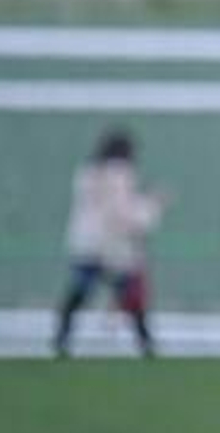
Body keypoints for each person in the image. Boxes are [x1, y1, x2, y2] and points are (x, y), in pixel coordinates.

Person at [53, 128, 165, 358]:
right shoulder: (119, 174)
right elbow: (121, 213)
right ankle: (146, 344)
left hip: (87, 244)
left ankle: (62, 337)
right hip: (112, 248)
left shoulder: (87, 172)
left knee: (80, 292)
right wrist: (152, 205)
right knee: (130, 294)